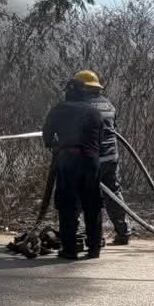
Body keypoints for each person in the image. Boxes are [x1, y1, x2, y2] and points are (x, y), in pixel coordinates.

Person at [41, 73, 107, 260]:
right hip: (91, 162)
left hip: (68, 162)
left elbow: (47, 137)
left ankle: (69, 250)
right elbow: (101, 143)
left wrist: (55, 147)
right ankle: (94, 249)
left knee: (68, 205)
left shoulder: (58, 109)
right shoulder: (95, 113)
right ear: (84, 93)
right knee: (93, 206)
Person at [72, 69, 130, 246]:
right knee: (113, 193)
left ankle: (79, 233)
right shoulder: (109, 105)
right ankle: (124, 232)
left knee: (78, 193)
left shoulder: (81, 107)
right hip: (111, 158)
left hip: (91, 158)